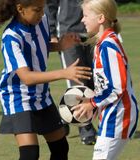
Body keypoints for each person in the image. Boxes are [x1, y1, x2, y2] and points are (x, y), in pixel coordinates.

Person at [0, 0, 93, 160]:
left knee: (60, 148)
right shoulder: (11, 37)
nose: (42, 14)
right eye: (37, 10)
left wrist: (60, 45)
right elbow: (26, 77)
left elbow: (39, 45)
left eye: (43, 9)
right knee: (30, 154)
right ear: (20, 9)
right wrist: (64, 73)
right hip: (18, 97)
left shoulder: (40, 20)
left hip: (41, 94)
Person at [71, 0, 139, 159]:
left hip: (119, 115)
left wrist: (92, 103)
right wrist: (94, 102)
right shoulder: (102, 44)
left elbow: (117, 87)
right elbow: (106, 84)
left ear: (101, 18)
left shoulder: (108, 45)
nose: (82, 20)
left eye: (86, 15)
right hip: (112, 113)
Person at [45, 0, 97, 145]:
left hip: (94, 32)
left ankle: (63, 117)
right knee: (78, 81)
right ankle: (85, 128)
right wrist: (52, 32)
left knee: (95, 81)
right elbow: (50, 5)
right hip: (68, 33)